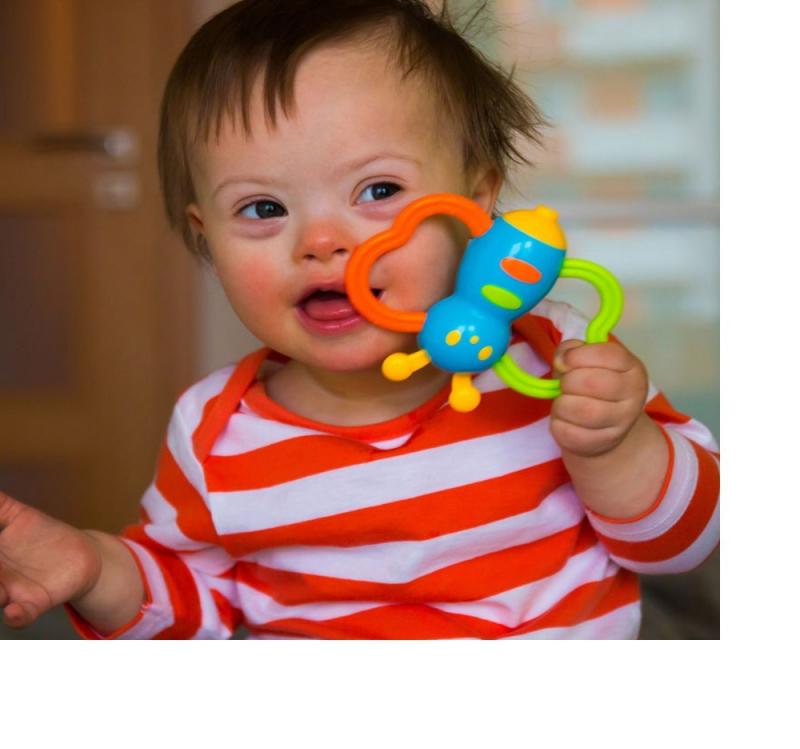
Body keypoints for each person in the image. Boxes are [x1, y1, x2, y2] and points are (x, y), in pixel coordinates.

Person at [0, 0, 719, 639]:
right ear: (205, 237)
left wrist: (614, 448)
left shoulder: (554, 357)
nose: (321, 241)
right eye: (263, 209)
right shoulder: (215, 433)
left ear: (475, 207)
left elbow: (681, 545)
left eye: (378, 189)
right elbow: (190, 612)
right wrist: (94, 568)